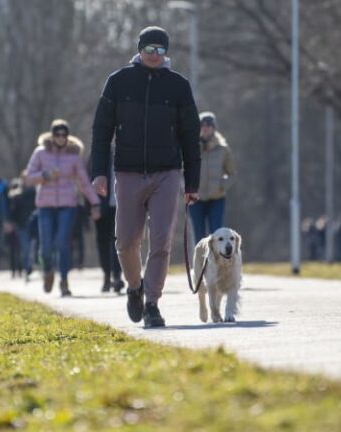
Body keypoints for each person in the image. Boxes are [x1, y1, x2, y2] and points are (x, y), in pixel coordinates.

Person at [90, 26, 201, 328]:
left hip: (167, 172)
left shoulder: (178, 86)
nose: (155, 55)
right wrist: (98, 172)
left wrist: (192, 182)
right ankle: (134, 286)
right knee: (126, 241)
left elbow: (190, 137)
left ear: (167, 53)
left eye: (160, 50)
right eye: (149, 49)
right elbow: (101, 131)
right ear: (139, 50)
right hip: (128, 172)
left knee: (162, 240)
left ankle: (152, 303)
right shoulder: (118, 81)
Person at [25, 119, 101, 296]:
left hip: (68, 205)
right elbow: (28, 177)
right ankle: (48, 271)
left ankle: (64, 280)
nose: (61, 137)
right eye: (57, 134)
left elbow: (84, 182)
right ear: (52, 136)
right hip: (45, 206)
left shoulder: (74, 156)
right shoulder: (40, 153)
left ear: (67, 136)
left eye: (64, 135)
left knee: (62, 242)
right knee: (45, 246)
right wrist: (45, 175)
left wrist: (95, 202)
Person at [189, 111, 236, 243]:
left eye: (208, 125)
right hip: (196, 198)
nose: (205, 128)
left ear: (214, 127)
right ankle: (202, 257)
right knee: (199, 236)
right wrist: (185, 188)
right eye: (202, 125)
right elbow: (181, 171)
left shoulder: (223, 149)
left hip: (217, 199)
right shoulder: (190, 147)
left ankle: (216, 257)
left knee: (217, 234)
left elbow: (232, 173)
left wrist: (222, 186)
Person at [95, 148, 124, 294]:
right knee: (103, 243)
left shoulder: (128, 151)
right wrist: (92, 205)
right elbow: (89, 179)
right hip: (101, 206)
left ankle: (117, 276)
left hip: (121, 206)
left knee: (117, 241)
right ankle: (107, 275)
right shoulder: (100, 153)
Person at [9, 173, 37, 281]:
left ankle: (36, 266)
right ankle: (27, 269)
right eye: (25, 179)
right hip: (22, 226)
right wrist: (12, 222)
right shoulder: (17, 196)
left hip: (35, 227)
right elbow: (13, 212)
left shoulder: (37, 194)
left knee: (35, 249)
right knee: (25, 249)